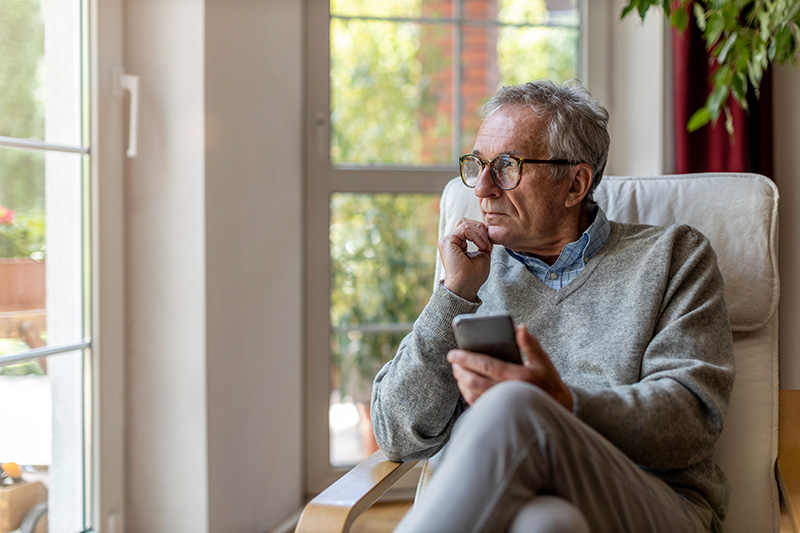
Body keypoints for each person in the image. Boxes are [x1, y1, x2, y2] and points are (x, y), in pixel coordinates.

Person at [370, 80, 734, 533]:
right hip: (527, 506)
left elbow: (693, 420)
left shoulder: (673, 256)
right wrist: (453, 295)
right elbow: (395, 432)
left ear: (575, 183)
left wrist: (562, 402)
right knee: (546, 523)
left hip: (652, 504)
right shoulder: (472, 276)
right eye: (477, 165)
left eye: (505, 166)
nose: (482, 188)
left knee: (515, 405)